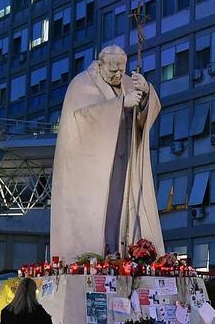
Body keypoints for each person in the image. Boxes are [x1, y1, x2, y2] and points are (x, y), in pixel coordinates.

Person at [50, 45, 165, 260]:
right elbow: (82, 119)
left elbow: (144, 119)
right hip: (94, 169)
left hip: (125, 161)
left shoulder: (129, 83)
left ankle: (123, 254)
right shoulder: (81, 84)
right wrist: (120, 104)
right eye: (113, 71)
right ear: (100, 65)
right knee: (100, 215)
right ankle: (97, 255)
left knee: (123, 212)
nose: (118, 75)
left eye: (122, 70)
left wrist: (147, 92)